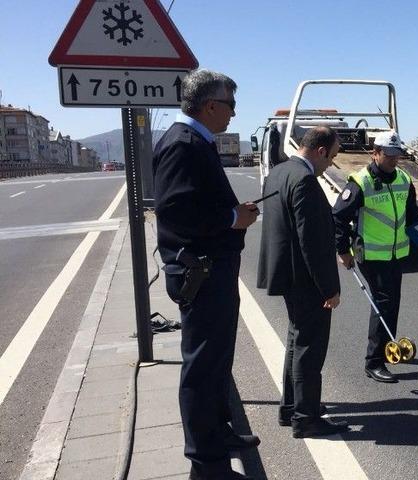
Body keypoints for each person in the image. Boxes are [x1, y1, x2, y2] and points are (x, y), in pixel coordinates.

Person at [153, 69, 259, 480]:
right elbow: (179, 213)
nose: (233, 114)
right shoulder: (183, 143)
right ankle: (204, 456)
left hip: (212, 269)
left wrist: (234, 215)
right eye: (230, 105)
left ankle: (218, 432)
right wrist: (234, 218)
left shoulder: (197, 141)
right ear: (210, 105)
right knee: (201, 363)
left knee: (217, 360)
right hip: (201, 270)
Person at [256, 126, 349, 438]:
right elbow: (312, 242)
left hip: (287, 273)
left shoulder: (279, 172)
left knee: (297, 341)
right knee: (310, 347)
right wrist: (330, 289)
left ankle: (292, 407)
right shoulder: (306, 180)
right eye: (332, 157)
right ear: (321, 151)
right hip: (307, 279)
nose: (331, 165)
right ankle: (305, 418)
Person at [332, 130, 418, 383]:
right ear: (376, 153)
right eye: (389, 154)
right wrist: (342, 251)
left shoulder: (403, 179)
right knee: (383, 303)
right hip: (370, 254)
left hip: (396, 253)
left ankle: (385, 349)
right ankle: (374, 362)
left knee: (392, 302)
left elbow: (411, 215)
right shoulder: (360, 182)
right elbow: (337, 218)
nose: (394, 159)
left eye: (397, 154)